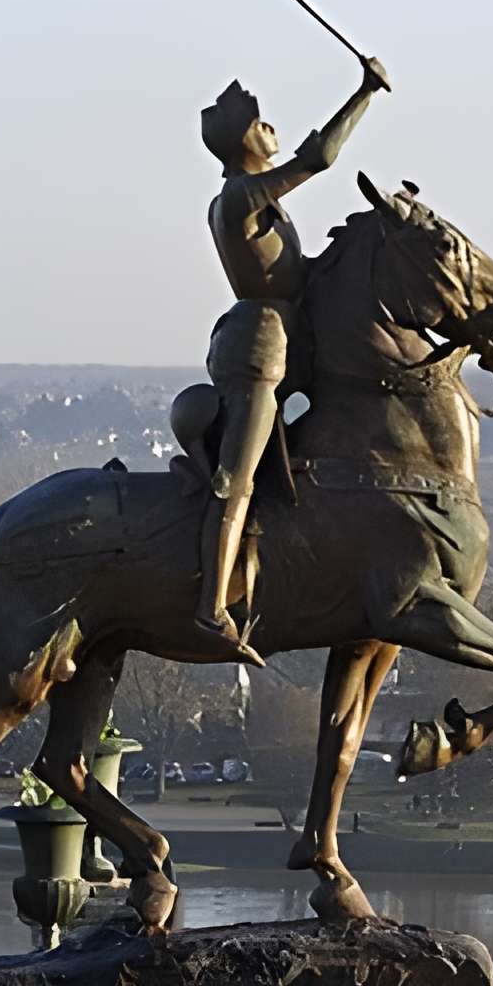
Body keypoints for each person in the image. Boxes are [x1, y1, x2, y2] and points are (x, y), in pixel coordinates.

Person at [184, 56, 389, 661]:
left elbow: (299, 273)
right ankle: (211, 608)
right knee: (239, 476)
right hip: (260, 346)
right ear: (240, 142)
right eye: (260, 123)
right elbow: (318, 157)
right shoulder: (240, 196)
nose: (271, 127)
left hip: (289, 339)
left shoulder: (261, 200)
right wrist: (364, 93)